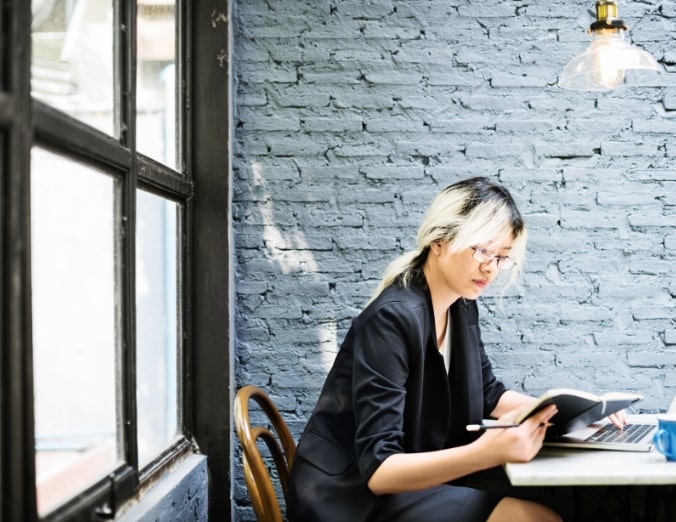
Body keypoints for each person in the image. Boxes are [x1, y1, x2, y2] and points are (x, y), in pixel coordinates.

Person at [285, 177, 623, 522]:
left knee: (544, 508)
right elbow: (380, 470)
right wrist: (484, 453)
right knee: (535, 518)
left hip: (402, 485)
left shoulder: (461, 305)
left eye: (501, 257)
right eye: (483, 250)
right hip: (347, 498)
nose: (490, 267)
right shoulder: (392, 319)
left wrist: (574, 411)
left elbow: (488, 393)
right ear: (439, 241)